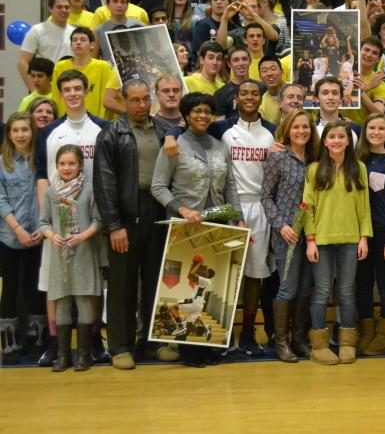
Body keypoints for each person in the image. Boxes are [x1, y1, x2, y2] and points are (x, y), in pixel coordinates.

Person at [150, 92, 239, 368]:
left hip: (217, 224)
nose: (202, 116)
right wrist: (182, 209)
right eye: (196, 111)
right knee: (187, 291)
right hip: (185, 227)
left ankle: (210, 345)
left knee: (211, 287)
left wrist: (237, 220)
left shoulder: (219, 145)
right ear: (186, 116)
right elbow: (158, 186)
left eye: (206, 111)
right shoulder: (174, 146)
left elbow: (231, 186)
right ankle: (188, 350)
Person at [94, 80, 178, 370]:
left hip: (157, 210)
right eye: (135, 100)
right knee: (122, 285)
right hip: (126, 216)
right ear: (124, 101)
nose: (141, 106)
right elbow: (104, 184)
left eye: (145, 100)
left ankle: (153, 342)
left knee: (157, 281)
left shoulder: (165, 131)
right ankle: (120, 346)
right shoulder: (111, 134)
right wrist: (114, 225)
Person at [209, 81, 276, 357]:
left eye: (255, 93)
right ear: (236, 98)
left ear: (261, 98)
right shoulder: (221, 129)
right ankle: (223, 333)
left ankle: (248, 333)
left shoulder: (272, 131)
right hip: (225, 209)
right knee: (224, 273)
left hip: (259, 207)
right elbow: (187, 130)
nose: (250, 97)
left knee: (254, 275)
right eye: (244, 93)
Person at [302, 120, 371, 366]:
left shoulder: (359, 168)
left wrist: (364, 237)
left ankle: (347, 342)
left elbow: (365, 207)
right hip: (321, 239)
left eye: (341, 137)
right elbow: (306, 207)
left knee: (346, 292)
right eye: (332, 137)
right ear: (325, 141)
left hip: (351, 239)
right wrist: (310, 240)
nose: (337, 141)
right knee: (321, 292)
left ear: (348, 141)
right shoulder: (314, 169)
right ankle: (319, 345)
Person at [261, 109, 318, 363]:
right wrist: (281, 225)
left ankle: (299, 338)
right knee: (288, 287)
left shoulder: (318, 158)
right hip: (287, 233)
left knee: (306, 288)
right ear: (287, 130)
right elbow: (265, 196)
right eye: (296, 127)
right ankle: (281, 342)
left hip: (313, 233)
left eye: (305, 127)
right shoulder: (278, 157)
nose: (301, 131)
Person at [38, 145, 101, 372]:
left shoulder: (90, 190)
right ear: (57, 166)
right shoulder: (52, 193)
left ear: (80, 165)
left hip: (84, 254)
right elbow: (43, 222)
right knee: (62, 302)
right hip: (60, 257)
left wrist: (82, 236)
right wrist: (51, 235)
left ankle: (84, 356)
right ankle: (63, 356)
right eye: (62, 164)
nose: (67, 168)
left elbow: (98, 220)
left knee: (84, 302)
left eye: (71, 163)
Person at [352, 114, 385, 356]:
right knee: (362, 284)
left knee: (384, 284)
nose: (376, 132)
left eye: (381, 128)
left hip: (384, 233)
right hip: (359, 233)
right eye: (371, 128)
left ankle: (384, 336)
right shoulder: (354, 160)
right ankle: (366, 332)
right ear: (365, 131)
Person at [0, 113, 45, 365]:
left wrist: (40, 227)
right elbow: (1, 201)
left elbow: (46, 197)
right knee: (10, 287)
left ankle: (36, 340)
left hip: (37, 235)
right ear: (9, 134)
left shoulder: (40, 163)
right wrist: (17, 229)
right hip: (9, 236)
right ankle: (9, 343)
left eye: (25, 130)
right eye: (15, 130)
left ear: (32, 132)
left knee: (34, 287)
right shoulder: (2, 163)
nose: (20, 134)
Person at [17, 0, 74, 91]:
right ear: (50, 9)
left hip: (68, 89)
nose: (64, 10)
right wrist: (34, 90)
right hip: (45, 89)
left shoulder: (74, 33)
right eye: (59, 7)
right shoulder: (37, 30)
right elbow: (22, 62)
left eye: (67, 7)